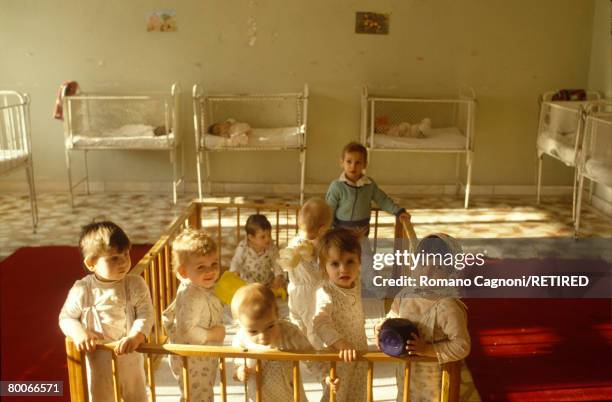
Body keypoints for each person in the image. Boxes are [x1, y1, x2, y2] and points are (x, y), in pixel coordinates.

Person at [59, 221, 153, 402]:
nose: (124, 262)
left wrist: (136, 336)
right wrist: (80, 333)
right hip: (98, 361)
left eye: (126, 254)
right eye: (114, 258)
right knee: (101, 397)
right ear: (91, 263)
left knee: (137, 396)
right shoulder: (83, 289)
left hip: (130, 358)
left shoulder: (134, 284)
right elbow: (66, 318)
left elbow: (145, 313)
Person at [374, 234, 471, 401]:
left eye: (438, 268)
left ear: (450, 273)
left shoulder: (447, 307)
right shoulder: (405, 294)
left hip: (434, 380)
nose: (427, 271)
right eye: (423, 263)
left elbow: (462, 345)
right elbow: (393, 317)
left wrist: (427, 350)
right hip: (406, 372)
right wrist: (383, 327)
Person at [231, 283, 339, 401]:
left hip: (291, 396)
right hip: (258, 397)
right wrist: (240, 372)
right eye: (253, 331)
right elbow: (236, 367)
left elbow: (311, 357)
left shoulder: (289, 333)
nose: (263, 336)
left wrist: (326, 376)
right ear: (239, 324)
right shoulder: (241, 339)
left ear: (277, 315)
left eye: (270, 326)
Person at [162, 228, 225, 402]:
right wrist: (214, 334)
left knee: (201, 393)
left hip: (201, 354)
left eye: (214, 264)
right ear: (183, 272)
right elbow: (187, 330)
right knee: (198, 396)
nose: (210, 271)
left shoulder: (200, 285)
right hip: (192, 358)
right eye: (201, 267)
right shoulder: (192, 296)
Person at [313, 228, 368, 402]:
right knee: (335, 395)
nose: (343, 269)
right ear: (324, 267)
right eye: (335, 264)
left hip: (359, 349)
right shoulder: (326, 292)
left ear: (359, 263)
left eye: (350, 261)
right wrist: (340, 343)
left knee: (359, 393)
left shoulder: (356, 282)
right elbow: (320, 323)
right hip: (337, 354)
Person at [278, 197, 332, 347]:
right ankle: (317, 356)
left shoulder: (293, 242)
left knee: (297, 321)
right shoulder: (320, 246)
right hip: (312, 294)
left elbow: (286, 262)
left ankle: (299, 348)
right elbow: (321, 268)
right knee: (313, 325)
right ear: (322, 229)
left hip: (294, 290)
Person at [230, 214, 285, 290]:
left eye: (269, 235)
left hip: (267, 283)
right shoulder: (243, 247)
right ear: (251, 237)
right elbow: (236, 261)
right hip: (248, 284)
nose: (267, 239)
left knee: (279, 288)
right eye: (263, 237)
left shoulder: (271, 248)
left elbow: (276, 262)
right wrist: (235, 272)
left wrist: (279, 276)